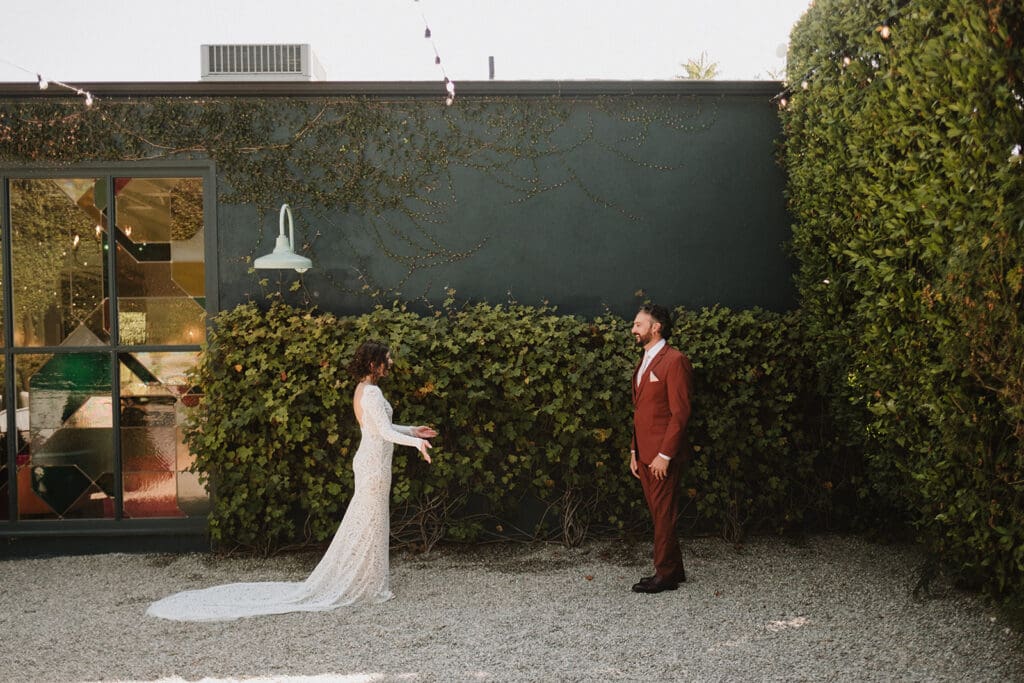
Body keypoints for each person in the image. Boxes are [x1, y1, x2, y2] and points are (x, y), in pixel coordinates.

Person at [146, 340, 437, 621]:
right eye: (387, 359)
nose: (391, 363)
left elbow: (380, 428)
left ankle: (367, 582)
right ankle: (365, 586)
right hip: (373, 465)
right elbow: (383, 433)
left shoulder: (363, 389)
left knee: (369, 522)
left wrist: (413, 431)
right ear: (375, 364)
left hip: (372, 462)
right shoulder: (371, 393)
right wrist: (417, 446)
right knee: (369, 522)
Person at [628, 304, 693, 594]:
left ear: (656, 327)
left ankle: (664, 575)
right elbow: (640, 411)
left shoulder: (675, 360)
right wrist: (633, 451)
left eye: (639, 324)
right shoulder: (644, 361)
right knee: (659, 513)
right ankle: (674, 570)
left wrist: (665, 455)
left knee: (663, 514)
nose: (633, 329)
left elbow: (680, 413)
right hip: (643, 454)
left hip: (661, 457)